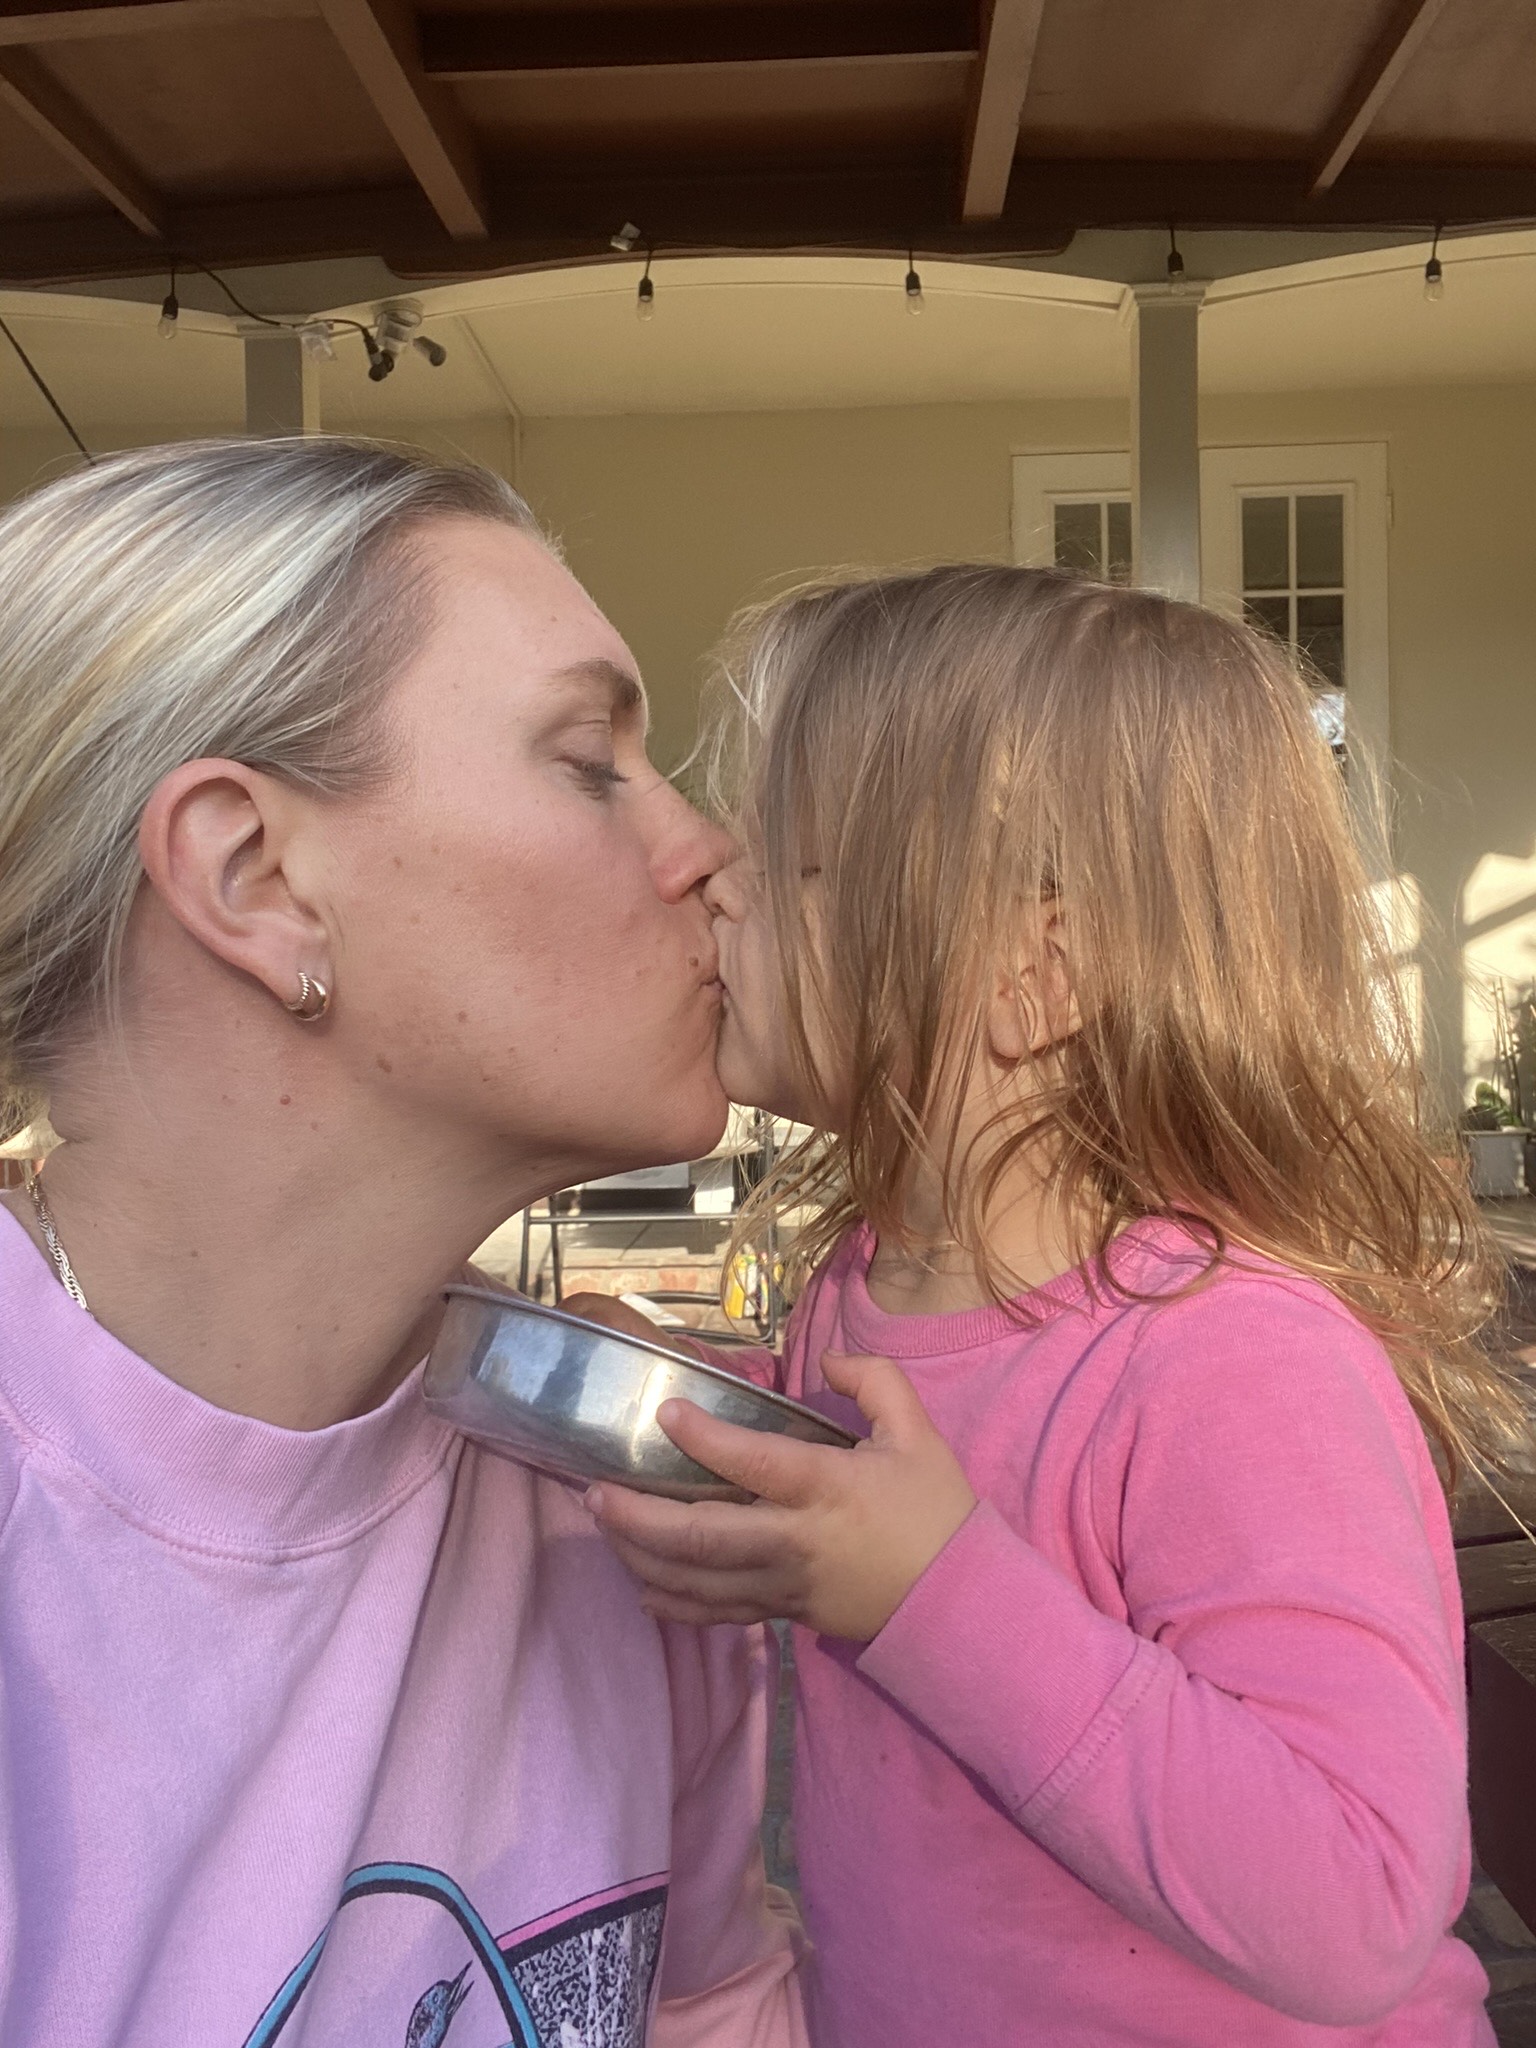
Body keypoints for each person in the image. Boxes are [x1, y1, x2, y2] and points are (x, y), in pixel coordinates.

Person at [580, 565, 1532, 2046]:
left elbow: (1358, 1903)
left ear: (1040, 968)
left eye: (799, 857)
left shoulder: (1233, 1358)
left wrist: (927, 1592)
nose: (713, 869)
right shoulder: (869, 1288)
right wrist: (709, 1407)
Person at [0, 437, 805, 2047]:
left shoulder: (627, 1511)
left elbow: (712, 1997)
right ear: (257, 879)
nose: (705, 852)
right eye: (591, 761)